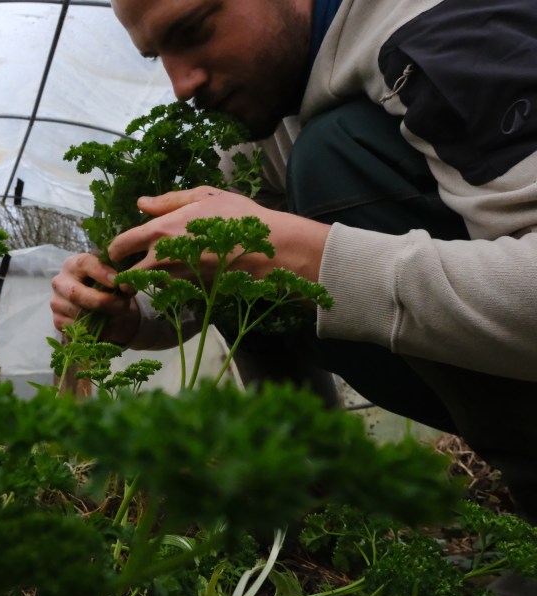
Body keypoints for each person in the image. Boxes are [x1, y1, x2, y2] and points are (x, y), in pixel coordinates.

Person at [50, 0, 537, 518]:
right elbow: (217, 263)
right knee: (240, 249)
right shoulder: (272, 102)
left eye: (193, 29)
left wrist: (302, 255)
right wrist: (135, 314)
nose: (181, 84)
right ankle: (313, 503)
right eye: (156, 57)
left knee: (331, 156)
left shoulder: (452, 36)